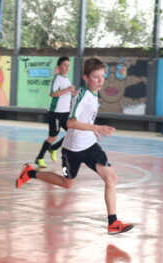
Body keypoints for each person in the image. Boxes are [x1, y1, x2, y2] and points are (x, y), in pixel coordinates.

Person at [16, 57, 134, 236]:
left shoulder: (94, 93)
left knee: (111, 177)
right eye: (96, 77)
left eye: (102, 76)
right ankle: (30, 173)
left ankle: (113, 222)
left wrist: (92, 131)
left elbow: (86, 118)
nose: (101, 80)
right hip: (72, 150)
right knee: (67, 184)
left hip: (90, 146)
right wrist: (96, 127)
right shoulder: (82, 96)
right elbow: (70, 123)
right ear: (86, 77)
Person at [34, 56, 75, 168]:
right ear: (59, 67)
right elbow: (52, 93)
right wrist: (67, 90)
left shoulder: (67, 80)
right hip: (56, 113)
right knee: (52, 137)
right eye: (65, 65)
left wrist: (72, 92)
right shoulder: (57, 78)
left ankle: (53, 148)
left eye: (68, 65)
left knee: (72, 133)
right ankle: (39, 158)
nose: (67, 67)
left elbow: (65, 96)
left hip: (65, 113)